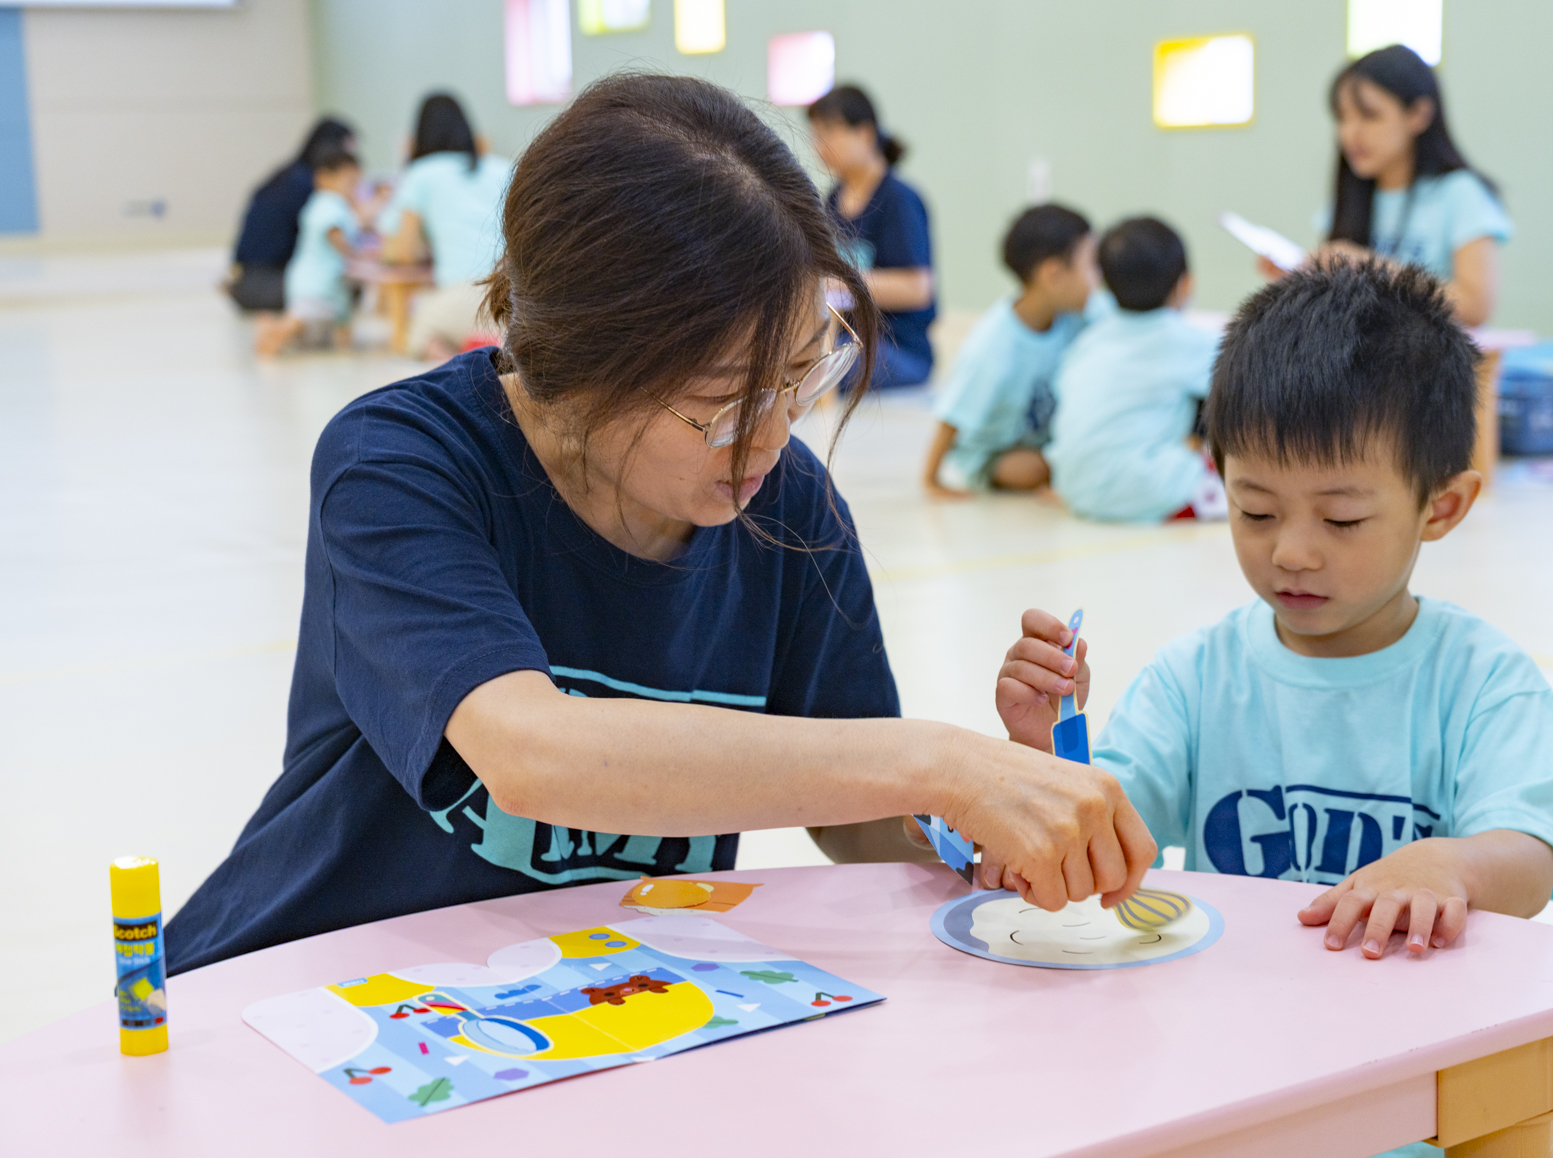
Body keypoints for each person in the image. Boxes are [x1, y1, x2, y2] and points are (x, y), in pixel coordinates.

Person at [164, 73, 1154, 976]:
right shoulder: (401, 463)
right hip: (314, 986)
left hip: (586, 1007)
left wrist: (992, 806)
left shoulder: (786, 504)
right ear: (581, 366)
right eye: (725, 403)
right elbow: (532, 755)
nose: (773, 435)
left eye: (802, 375)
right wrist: (940, 763)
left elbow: (857, 823)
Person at [997, 257, 1553, 1158]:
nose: (1292, 553)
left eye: (1341, 520)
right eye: (1256, 511)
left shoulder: (1483, 680)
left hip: (1468, 1083)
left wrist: (1450, 865)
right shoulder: (1195, 678)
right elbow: (1106, 839)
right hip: (1249, 1077)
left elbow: (1530, 860)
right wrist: (1048, 761)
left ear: (1443, 506)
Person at [1264, 44, 1510, 328]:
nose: (1350, 133)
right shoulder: (1351, 196)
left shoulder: (1460, 193)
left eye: (1369, 115)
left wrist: (1369, 267)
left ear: (1419, 114)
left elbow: (1476, 306)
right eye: (1342, 117)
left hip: (1435, 354)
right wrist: (1301, 281)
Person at [1044, 217, 1226, 523]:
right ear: (1185, 285)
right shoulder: (1191, 342)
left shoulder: (1087, 342)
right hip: (1147, 488)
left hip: (1075, 490)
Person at [922, 204, 1102, 498]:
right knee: (1034, 469)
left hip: (1045, 439)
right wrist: (931, 480)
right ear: (1054, 275)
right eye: (1092, 265)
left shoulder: (1078, 316)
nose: (1099, 279)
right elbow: (952, 415)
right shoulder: (994, 344)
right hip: (995, 451)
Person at [808, 86, 936, 389]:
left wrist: (841, 283)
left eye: (828, 133)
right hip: (845, 338)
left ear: (865, 134)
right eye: (815, 135)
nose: (819, 145)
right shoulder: (832, 200)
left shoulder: (899, 199)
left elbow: (918, 288)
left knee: (817, 374)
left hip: (898, 349)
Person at [378, 93, 515, 360]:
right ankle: (491, 347)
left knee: (417, 335)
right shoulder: (503, 167)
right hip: (515, 298)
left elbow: (402, 252)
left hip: (463, 296)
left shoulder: (421, 173)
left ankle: (460, 359)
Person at [226, 117, 355, 312]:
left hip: (248, 276)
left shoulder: (290, 174)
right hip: (263, 281)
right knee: (342, 287)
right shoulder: (308, 187)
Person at [254, 147, 363, 357]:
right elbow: (338, 239)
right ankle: (275, 330)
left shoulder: (320, 203)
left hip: (310, 280)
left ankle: (274, 327)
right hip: (319, 283)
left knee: (313, 327)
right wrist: (359, 254)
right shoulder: (330, 204)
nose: (353, 190)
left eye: (357, 184)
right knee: (305, 320)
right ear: (323, 178)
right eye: (349, 183)